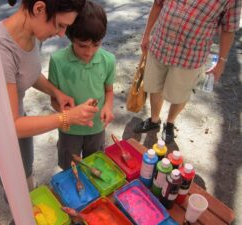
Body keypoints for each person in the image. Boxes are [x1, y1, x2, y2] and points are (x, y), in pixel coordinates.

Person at [0, 0, 99, 192]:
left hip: (18, 125)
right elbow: (11, 126)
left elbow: (25, 73)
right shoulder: (0, 50)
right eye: (60, 25)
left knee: (27, 184)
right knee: (20, 194)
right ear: (39, 8)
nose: (61, 33)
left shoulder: (32, 32)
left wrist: (55, 92)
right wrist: (67, 117)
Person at [134, 0, 241, 143]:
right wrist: (146, 35)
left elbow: (228, 29)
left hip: (190, 58)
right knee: (155, 87)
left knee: (180, 95)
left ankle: (170, 123)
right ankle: (154, 120)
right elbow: (158, 4)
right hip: (160, 46)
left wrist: (221, 62)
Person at [48, 0, 116, 170]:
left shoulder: (108, 60)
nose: (89, 52)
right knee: (70, 169)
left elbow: (109, 90)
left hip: (97, 128)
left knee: (95, 166)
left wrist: (108, 107)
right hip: (69, 129)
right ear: (70, 37)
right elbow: (54, 99)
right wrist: (68, 114)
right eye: (82, 46)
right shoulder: (57, 61)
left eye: (96, 45)